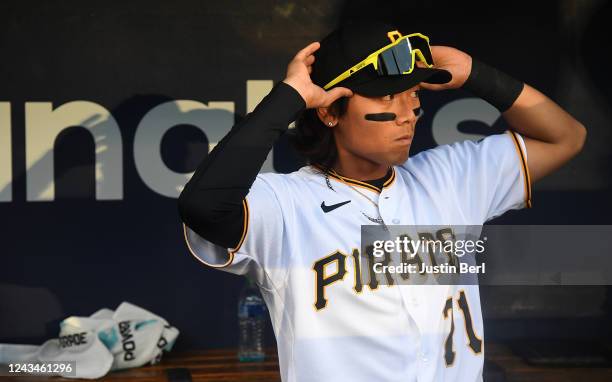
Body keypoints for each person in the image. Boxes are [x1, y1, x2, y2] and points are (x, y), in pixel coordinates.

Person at [178, 20, 585, 382]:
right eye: (386, 98)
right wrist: (290, 97)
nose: (408, 112)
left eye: (410, 94)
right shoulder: (284, 203)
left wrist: (477, 75)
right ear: (330, 111)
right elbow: (202, 206)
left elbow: (565, 136)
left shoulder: (452, 177)